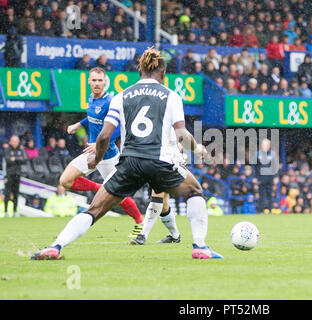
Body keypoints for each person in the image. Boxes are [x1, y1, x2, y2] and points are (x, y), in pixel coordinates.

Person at [32, 47, 223, 260]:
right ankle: (199, 246)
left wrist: (96, 159)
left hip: (129, 162)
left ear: (139, 71)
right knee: (194, 191)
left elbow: (104, 136)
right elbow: (181, 135)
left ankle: (56, 246)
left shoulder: (121, 96)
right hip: (159, 161)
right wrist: (198, 148)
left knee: (95, 209)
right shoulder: (171, 96)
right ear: (163, 74)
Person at [59, 67, 144, 238]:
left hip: (108, 156)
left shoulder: (110, 101)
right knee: (65, 180)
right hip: (91, 153)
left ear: (105, 81)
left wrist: (99, 145)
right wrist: (79, 124)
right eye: (94, 80)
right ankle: (101, 188)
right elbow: (92, 116)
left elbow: (120, 127)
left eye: (100, 80)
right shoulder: (91, 98)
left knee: (119, 195)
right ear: (89, 81)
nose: (97, 83)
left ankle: (140, 223)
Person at [2, 135, 28, 216]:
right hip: (9, 175)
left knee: (16, 193)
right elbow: (8, 160)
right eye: (13, 141)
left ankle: (14, 211)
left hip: (17, 174)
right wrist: (18, 159)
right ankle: (6, 211)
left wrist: (15, 159)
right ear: (10, 141)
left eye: (16, 141)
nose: (15, 143)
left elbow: (25, 159)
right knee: (7, 193)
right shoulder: (7, 150)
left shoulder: (20, 149)